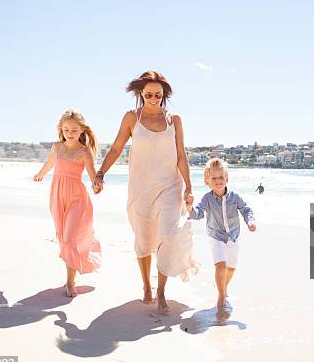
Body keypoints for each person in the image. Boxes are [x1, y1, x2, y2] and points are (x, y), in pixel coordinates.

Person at [93, 70, 197, 313]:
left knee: (167, 235)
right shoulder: (132, 118)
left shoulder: (175, 120)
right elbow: (117, 147)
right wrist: (101, 173)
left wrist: (189, 185)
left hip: (171, 186)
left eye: (158, 95)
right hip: (141, 188)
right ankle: (146, 287)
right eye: (148, 94)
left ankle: (161, 291)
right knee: (144, 238)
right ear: (141, 93)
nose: (153, 98)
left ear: (164, 95)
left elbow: (181, 155)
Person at [33, 109, 102, 297]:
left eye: (73, 130)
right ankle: (71, 274)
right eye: (66, 130)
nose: (70, 133)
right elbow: (49, 164)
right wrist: (40, 174)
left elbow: (92, 174)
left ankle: (70, 283)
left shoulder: (84, 151)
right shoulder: (57, 147)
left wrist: (97, 184)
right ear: (61, 130)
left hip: (77, 198)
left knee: (70, 239)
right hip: (57, 195)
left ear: (81, 131)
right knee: (63, 238)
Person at [186, 158, 256, 309]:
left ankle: (223, 287)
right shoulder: (207, 199)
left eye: (221, 177)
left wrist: (250, 221)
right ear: (207, 181)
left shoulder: (235, 197)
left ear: (227, 178)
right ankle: (221, 296)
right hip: (215, 236)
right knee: (221, 266)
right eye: (214, 178)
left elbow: (246, 209)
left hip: (233, 237)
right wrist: (190, 208)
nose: (218, 181)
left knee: (231, 268)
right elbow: (198, 213)